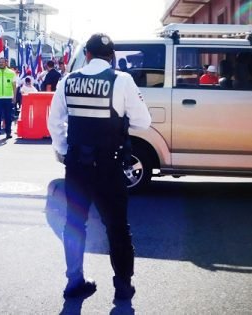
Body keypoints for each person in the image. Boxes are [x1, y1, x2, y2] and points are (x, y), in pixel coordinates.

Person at [47, 33, 152, 300]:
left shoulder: (68, 80)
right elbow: (144, 122)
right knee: (117, 227)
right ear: (112, 57)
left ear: (88, 56)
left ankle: (74, 282)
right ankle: (123, 287)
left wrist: (61, 150)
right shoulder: (122, 80)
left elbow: (54, 121)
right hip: (109, 167)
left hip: (76, 167)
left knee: (74, 223)